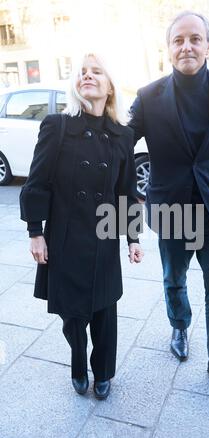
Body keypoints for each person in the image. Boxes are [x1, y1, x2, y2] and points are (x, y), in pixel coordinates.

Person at [129, 11, 209, 391]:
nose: (186, 46)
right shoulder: (149, 96)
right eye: (178, 40)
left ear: (208, 45)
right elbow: (122, 142)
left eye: (194, 39)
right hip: (171, 210)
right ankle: (179, 327)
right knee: (174, 279)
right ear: (169, 48)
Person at [20, 52, 143, 400]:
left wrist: (132, 238)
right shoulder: (57, 126)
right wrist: (35, 231)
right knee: (72, 316)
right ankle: (78, 361)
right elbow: (37, 182)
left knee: (105, 311)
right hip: (65, 237)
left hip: (103, 239)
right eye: (82, 72)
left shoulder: (123, 135)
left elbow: (126, 191)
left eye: (97, 72)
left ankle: (103, 371)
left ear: (110, 85)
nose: (88, 76)